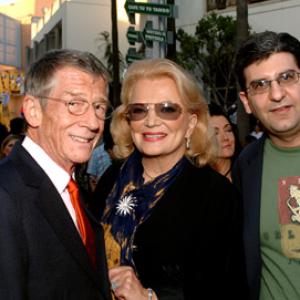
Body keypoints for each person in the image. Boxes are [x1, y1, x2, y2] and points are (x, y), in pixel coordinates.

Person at [92, 58, 248, 299]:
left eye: (167, 109)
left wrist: (149, 297)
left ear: (190, 123)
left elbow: (226, 291)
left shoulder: (216, 196)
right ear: (128, 120)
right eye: (139, 110)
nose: (151, 121)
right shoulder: (111, 180)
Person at [0, 49, 113, 300]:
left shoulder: (71, 189)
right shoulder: (5, 195)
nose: (93, 122)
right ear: (33, 110)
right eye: (74, 104)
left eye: (98, 107)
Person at [234, 31, 300, 300]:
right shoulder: (246, 165)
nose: (276, 94)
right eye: (260, 85)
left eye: (287, 77)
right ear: (247, 102)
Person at [208, 102, 240, 181]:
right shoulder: (193, 181)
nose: (225, 138)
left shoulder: (248, 173)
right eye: (215, 133)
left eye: (228, 130)